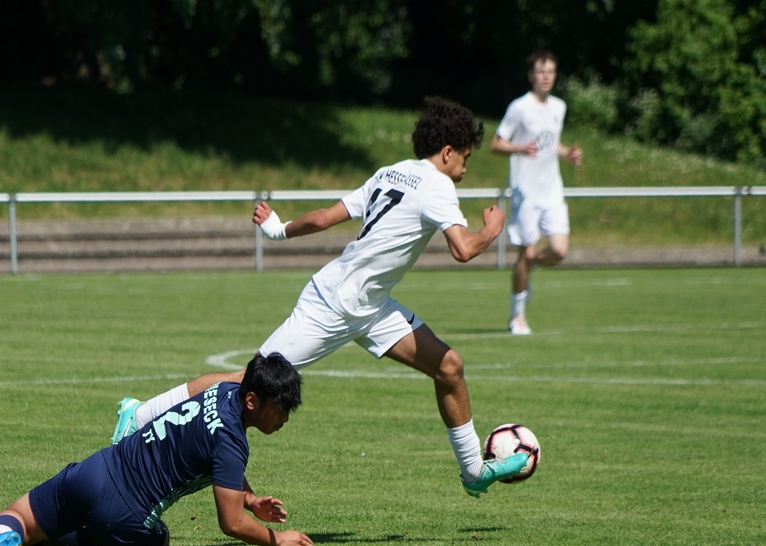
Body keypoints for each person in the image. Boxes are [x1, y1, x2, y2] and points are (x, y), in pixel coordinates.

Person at [112, 97, 529, 499]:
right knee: (246, 381)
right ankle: (141, 413)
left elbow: (325, 218)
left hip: (370, 305)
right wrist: (492, 229)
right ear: (447, 151)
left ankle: (473, 471)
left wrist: (279, 229)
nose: (465, 169)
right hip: (333, 305)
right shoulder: (438, 185)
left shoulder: (391, 172)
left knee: (449, 367)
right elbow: (463, 249)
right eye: (465, 158)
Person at [0, 354, 316, 546]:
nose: (285, 418)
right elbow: (232, 524)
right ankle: (46, 541)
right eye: (281, 408)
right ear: (252, 401)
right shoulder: (232, 442)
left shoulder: (222, 391)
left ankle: (1, 537)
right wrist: (278, 539)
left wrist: (250, 499)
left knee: (18, 515)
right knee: (160, 540)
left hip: (95, 469)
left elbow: (219, 465)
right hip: (124, 515)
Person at [490, 50, 583, 336]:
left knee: (559, 251)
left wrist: (567, 154)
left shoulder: (559, 107)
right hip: (525, 193)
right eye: (541, 71)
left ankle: (528, 271)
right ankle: (517, 317)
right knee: (526, 253)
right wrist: (519, 148)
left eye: (551, 71)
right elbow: (496, 144)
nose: (546, 76)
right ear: (531, 75)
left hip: (552, 191)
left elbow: (549, 143)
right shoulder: (519, 108)